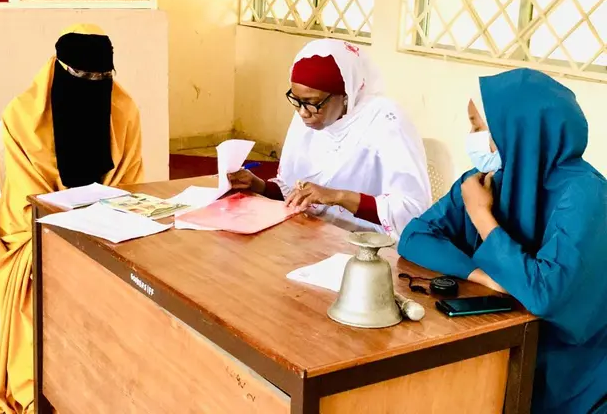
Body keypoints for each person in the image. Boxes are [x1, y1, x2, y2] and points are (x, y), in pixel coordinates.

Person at [398, 68, 607, 414]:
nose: (473, 137)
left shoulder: (586, 194)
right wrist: (480, 274)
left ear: (520, 131)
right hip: (502, 352)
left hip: (574, 380)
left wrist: (482, 217)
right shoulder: (486, 180)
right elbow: (414, 236)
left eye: (480, 126)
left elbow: (544, 295)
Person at [0, 24, 144, 414]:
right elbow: (27, 201)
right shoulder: (23, 115)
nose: (93, 84)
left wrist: (105, 214)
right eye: (82, 76)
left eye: (102, 78)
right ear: (59, 69)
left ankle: (108, 382)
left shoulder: (123, 110)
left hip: (105, 223)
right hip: (33, 231)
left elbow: (131, 183)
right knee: (45, 284)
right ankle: (45, 386)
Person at [228, 39, 431, 239]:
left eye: (313, 103)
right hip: (313, 234)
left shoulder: (385, 122)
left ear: (345, 96)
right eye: (296, 101)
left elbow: (412, 213)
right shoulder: (307, 117)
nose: (302, 113)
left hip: (366, 244)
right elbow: (298, 193)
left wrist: (338, 197)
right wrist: (259, 185)